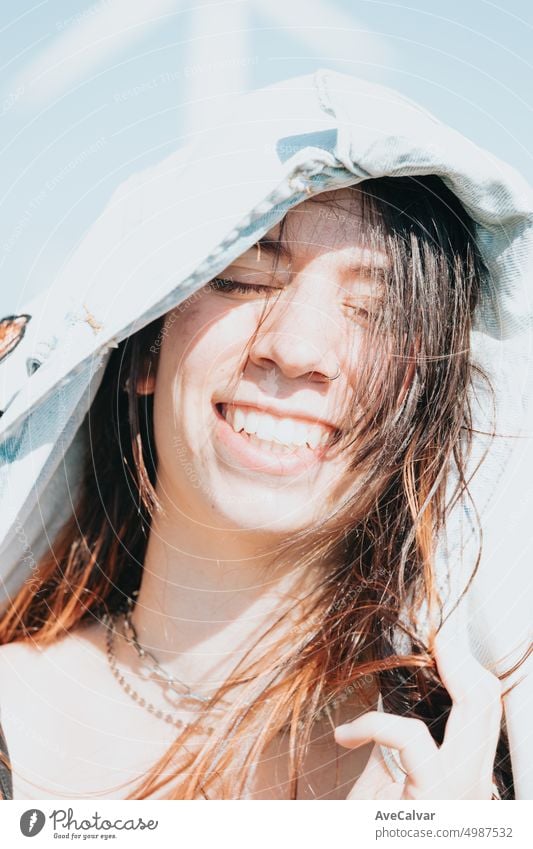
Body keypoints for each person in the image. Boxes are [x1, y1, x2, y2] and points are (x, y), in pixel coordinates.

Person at [0, 69, 531, 801]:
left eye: (376, 312)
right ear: (141, 343)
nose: (295, 347)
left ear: (424, 394)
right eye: (244, 279)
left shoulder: (472, 764)